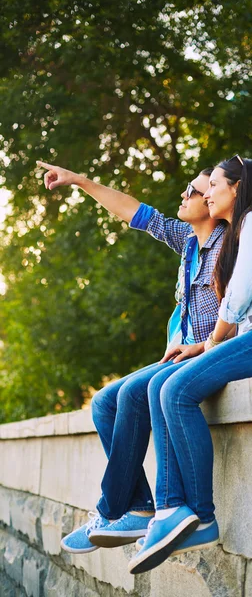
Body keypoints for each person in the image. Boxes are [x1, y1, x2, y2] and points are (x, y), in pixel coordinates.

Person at [128, 156, 252, 575]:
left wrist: (209, 343)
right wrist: (200, 347)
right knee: (162, 386)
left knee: (174, 391)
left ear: (238, 187)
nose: (207, 192)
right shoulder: (240, 230)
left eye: (215, 185)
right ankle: (171, 507)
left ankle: (202, 515)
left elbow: (242, 291)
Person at [37, 160, 225, 554]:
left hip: (206, 356)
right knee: (104, 401)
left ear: (212, 201)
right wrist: (79, 180)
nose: (185, 194)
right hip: (177, 356)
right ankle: (138, 508)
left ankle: (109, 511)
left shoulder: (228, 245)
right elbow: (137, 213)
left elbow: (238, 312)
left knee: (131, 395)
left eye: (193, 190)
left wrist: (203, 345)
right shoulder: (189, 241)